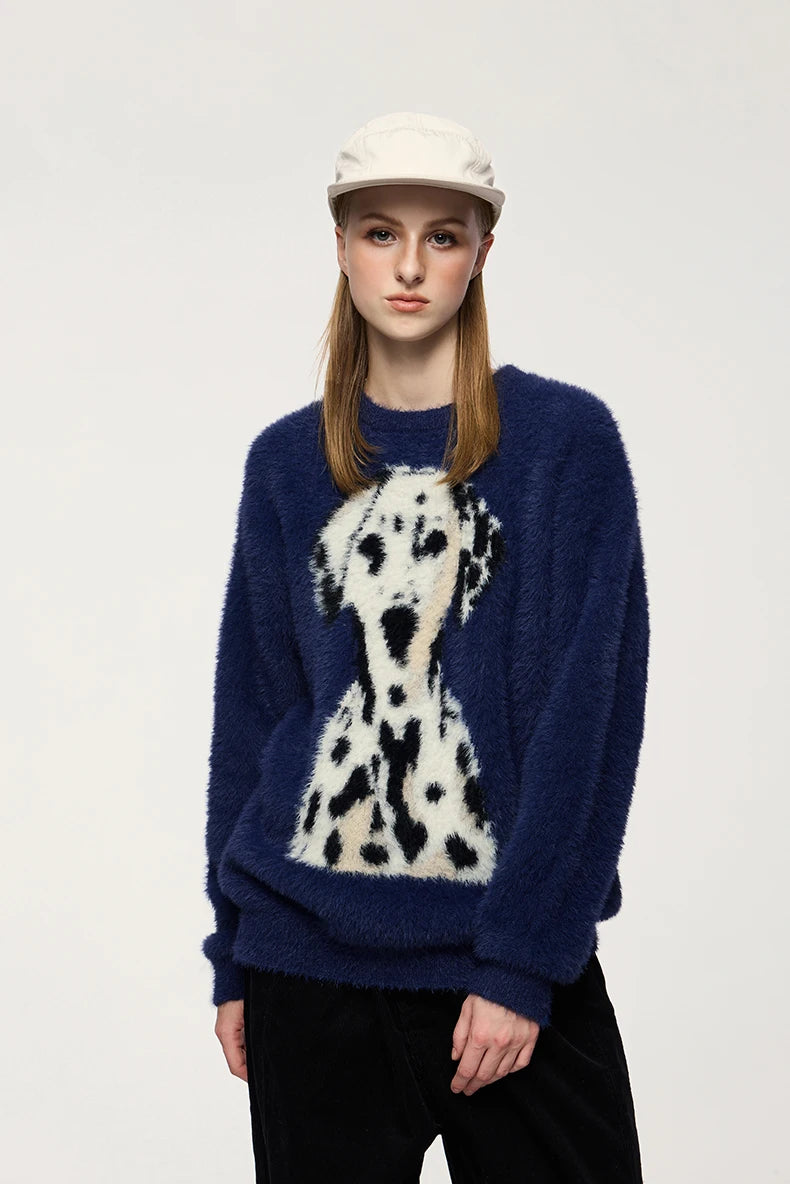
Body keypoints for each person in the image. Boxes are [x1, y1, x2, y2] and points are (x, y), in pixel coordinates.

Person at [202, 111, 650, 1183]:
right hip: (302, 965)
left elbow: (588, 723)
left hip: (504, 963)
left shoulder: (565, 446)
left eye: (442, 235)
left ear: (482, 251)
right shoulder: (285, 463)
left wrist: (522, 961)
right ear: (341, 246)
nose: (409, 265)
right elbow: (252, 713)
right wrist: (232, 953)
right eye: (379, 232)